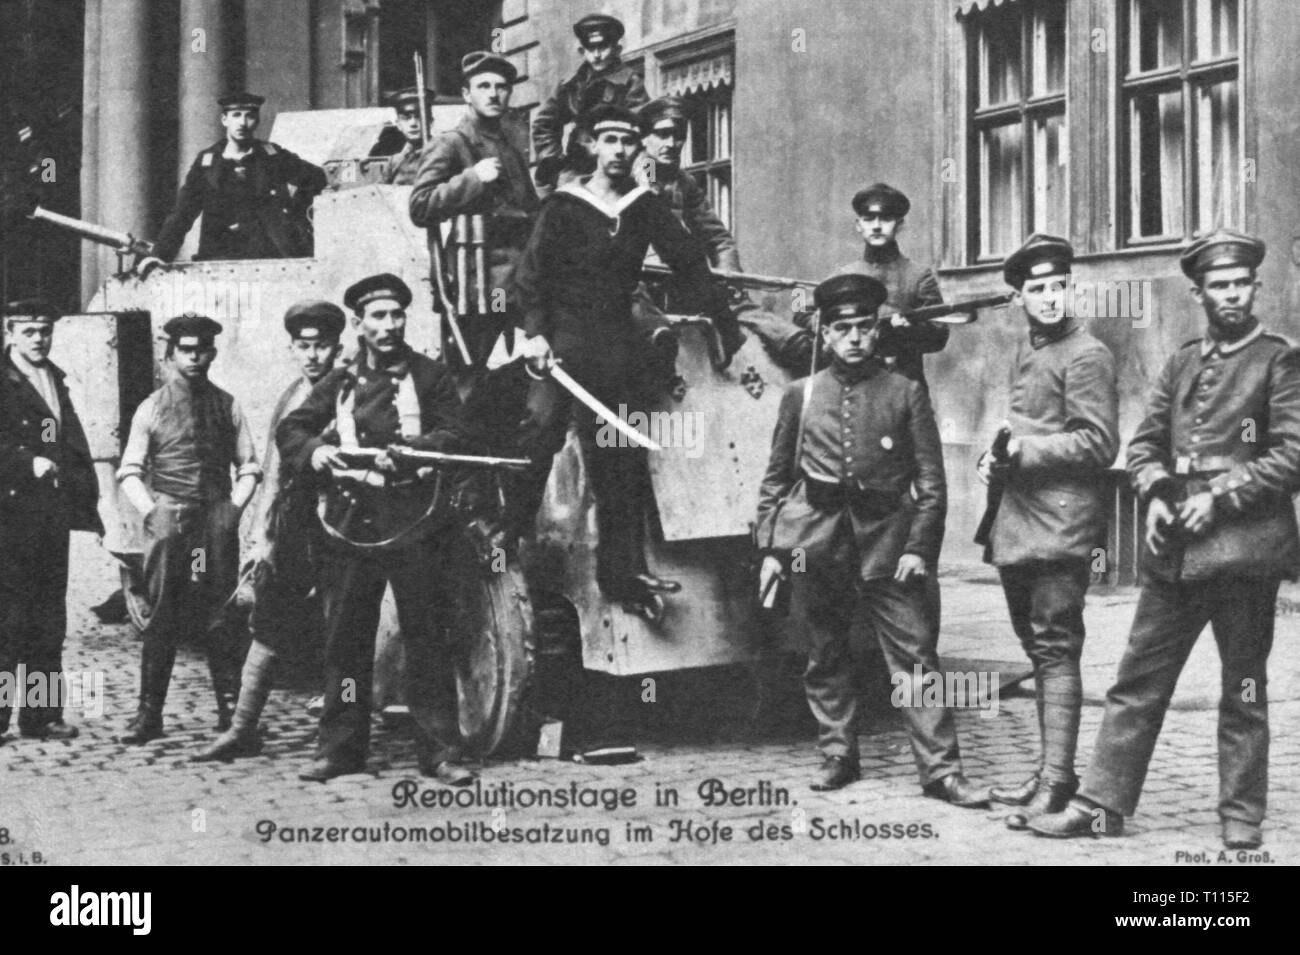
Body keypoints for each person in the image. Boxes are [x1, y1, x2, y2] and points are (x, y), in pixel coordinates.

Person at [1030, 230, 1300, 851]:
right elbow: (1145, 443)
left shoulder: (1278, 360)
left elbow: (1291, 453)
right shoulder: (1181, 361)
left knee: (1244, 687)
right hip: (1173, 550)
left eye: (1241, 284)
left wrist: (1221, 494)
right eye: (1219, 286)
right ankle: (1101, 805)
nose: (1232, 295)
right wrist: (1152, 492)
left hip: (1244, 553)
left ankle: (1241, 816)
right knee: (1136, 680)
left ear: (1254, 288)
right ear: (1198, 292)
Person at [754, 273, 987, 802]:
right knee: (824, 652)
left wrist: (919, 549)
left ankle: (941, 771)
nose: (855, 337)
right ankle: (838, 754)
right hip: (816, 540)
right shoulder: (800, 395)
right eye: (843, 328)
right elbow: (775, 479)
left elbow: (931, 483)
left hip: (889, 541)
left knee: (916, 657)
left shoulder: (904, 392)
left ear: (877, 330)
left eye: (864, 326)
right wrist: (771, 550)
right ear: (825, 333)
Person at [512, 104, 743, 617]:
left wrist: (724, 323)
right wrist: (535, 335)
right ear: (592, 145)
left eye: (627, 141)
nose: (618, 150)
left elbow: (689, 261)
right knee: (541, 428)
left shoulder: (645, 206)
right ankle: (506, 535)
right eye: (609, 139)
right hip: (563, 341)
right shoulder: (563, 206)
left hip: (616, 342)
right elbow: (530, 276)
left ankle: (622, 573)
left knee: (620, 454)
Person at [277, 273, 473, 785]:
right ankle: (340, 749)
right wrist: (315, 452)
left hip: (414, 525)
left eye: (396, 315)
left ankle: (440, 753)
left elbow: (456, 432)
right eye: (378, 317)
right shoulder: (338, 379)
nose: (389, 325)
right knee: (346, 643)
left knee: (427, 639)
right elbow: (291, 428)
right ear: (360, 325)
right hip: (349, 527)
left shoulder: (429, 375)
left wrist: (419, 449)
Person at [976, 234, 1119, 829]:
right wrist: (994, 457)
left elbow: (1098, 441)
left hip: (1061, 522)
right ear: (1020, 298)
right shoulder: (1028, 348)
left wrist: (1024, 452)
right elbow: (1023, 426)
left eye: (1059, 286)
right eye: (1038, 289)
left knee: (1056, 646)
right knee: (1038, 648)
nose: (1051, 298)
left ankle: (1059, 782)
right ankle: (1048, 770)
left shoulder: (1087, 353)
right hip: (1018, 519)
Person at [195, 301, 344, 761]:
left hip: (343, 523)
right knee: (269, 620)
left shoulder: (351, 392)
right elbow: (275, 472)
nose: (313, 355)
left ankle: (338, 733)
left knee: (343, 625)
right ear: (292, 349)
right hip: (294, 523)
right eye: (304, 346)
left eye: (321, 346)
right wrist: (263, 535)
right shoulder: (291, 396)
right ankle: (242, 728)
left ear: (337, 347)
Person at [116, 314, 262, 743]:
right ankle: (149, 715)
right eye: (186, 349)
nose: (194, 356)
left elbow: (249, 466)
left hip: (212, 530)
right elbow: (129, 470)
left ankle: (231, 713)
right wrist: (153, 513)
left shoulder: (228, 404)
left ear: (212, 353)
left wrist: (232, 509)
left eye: (202, 349)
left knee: (221, 612)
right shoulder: (152, 406)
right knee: (163, 613)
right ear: (170, 354)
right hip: (171, 527)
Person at [0, 299, 102, 742]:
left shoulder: (52, 378)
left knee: (47, 622)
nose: (39, 339)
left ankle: (41, 717)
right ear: (10, 332)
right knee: (9, 621)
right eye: (29, 331)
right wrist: (28, 463)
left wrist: (89, 507)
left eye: (44, 330)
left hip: (48, 518)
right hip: (10, 518)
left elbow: (68, 446)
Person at [409, 52, 539, 367]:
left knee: (513, 368)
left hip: (516, 280)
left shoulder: (511, 147)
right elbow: (420, 205)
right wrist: (472, 178)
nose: (494, 94)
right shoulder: (452, 143)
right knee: (469, 369)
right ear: (467, 94)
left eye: (501, 86)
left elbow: (532, 213)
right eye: (483, 86)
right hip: (478, 285)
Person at [752, 183, 949, 383]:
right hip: (852, 386)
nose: (877, 225)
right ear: (858, 225)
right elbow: (800, 309)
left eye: (886, 219)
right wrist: (829, 324)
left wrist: (908, 331)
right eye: (868, 219)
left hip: (905, 388)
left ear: (900, 225)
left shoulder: (919, 275)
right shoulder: (843, 275)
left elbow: (940, 335)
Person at [139, 92, 326, 272]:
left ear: (257, 121)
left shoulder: (273, 156)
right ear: (224, 120)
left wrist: (293, 214)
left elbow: (317, 178)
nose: (243, 123)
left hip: (269, 254)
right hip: (219, 254)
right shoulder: (208, 162)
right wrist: (160, 255)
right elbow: (182, 213)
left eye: (250, 116)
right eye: (236, 115)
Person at [531, 13, 648, 191]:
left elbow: (643, 129)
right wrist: (553, 162)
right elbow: (544, 124)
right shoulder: (571, 84)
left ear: (617, 49)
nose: (597, 55)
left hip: (617, 167)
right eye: (590, 48)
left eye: (603, 47)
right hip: (576, 167)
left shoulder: (631, 82)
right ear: (582, 51)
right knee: (554, 205)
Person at [382, 87, 436, 186]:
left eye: (419, 117)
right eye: (406, 118)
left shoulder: (442, 154)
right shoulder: (394, 162)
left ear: (431, 122)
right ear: (398, 125)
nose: (413, 123)